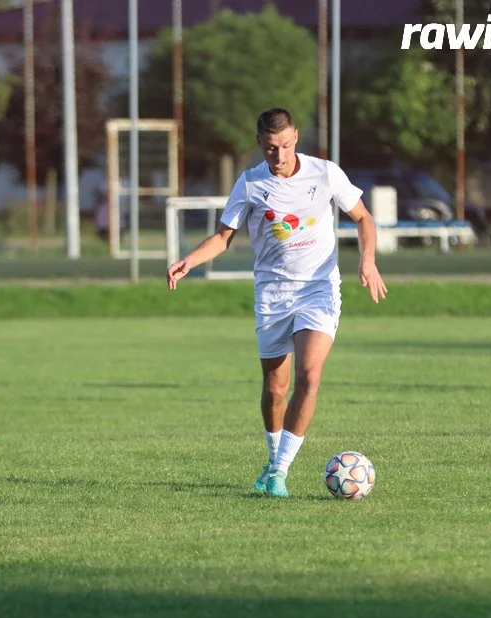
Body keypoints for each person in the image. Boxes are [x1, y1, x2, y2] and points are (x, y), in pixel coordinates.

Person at [166, 108, 388, 498]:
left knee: (311, 375)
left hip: (318, 289)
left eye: (285, 146)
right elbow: (223, 236)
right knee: (275, 387)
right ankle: (272, 461)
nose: (280, 156)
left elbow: (363, 218)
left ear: (296, 137)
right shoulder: (250, 184)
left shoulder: (325, 173)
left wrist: (367, 260)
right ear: (260, 146)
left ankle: (281, 472)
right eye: (271, 149)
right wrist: (191, 260)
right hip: (272, 294)